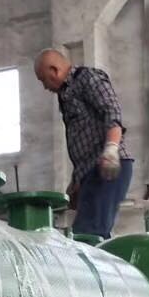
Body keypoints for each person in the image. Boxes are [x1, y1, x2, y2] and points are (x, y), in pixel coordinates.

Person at [34, 46, 132, 239]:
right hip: (90, 173)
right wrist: (77, 181)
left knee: (89, 232)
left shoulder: (88, 78)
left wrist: (111, 149)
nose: (44, 86)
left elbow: (111, 111)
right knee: (85, 233)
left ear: (54, 70)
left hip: (107, 168)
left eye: (43, 79)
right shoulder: (66, 94)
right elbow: (83, 140)